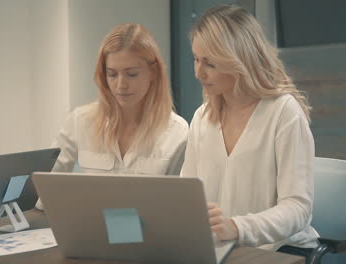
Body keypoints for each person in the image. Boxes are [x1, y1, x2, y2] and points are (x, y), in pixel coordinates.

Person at [180, 4, 318, 261]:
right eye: (196, 59)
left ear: (240, 60)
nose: (198, 72)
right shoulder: (202, 117)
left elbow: (298, 208)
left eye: (210, 63)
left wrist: (238, 227)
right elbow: (187, 197)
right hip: (220, 250)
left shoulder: (283, 113)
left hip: (278, 250)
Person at [36, 23, 188, 209]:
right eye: (112, 75)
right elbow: (45, 188)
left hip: (151, 236)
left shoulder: (176, 132)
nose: (121, 85)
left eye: (131, 74)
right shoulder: (81, 121)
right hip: (92, 231)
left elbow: (179, 207)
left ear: (153, 72)